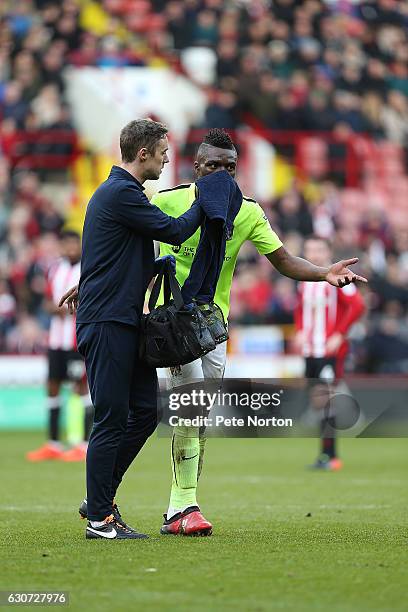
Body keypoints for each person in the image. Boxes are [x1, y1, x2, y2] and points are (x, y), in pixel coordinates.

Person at [61, 128, 367, 536]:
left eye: (230, 167)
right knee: (180, 407)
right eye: (213, 166)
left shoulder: (248, 212)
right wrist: (90, 282)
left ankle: (123, 500)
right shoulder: (167, 200)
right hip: (169, 326)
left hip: (212, 326)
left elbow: (282, 260)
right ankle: (179, 506)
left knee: (194, 414)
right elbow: (126, 246)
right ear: (196, 166)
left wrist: (321, 273)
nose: (222, 173)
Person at [62, 119, 203, 540]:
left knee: (144, 412)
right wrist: (211, 198)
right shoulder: (121, 193)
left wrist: (88, 281)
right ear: (142, 153)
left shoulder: (119, 195)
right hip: (107, 322)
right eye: (162, 152)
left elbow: (127, 258)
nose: (166, 158)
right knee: (110, 418)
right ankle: (100, 520)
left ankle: (99, 498)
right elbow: (176, 231)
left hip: (124, 322)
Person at [294, 235, 366, 470]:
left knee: (326, 400)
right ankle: (325, 455)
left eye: (318, 249)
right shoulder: (304, 280)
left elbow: (358, 306)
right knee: (318, 402)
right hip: (310, 350)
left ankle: (330, 456)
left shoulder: (338, 278)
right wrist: (299, 330)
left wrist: (340, 333)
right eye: (310, 249)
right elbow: (300, 309)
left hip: (328, 350)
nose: (314, 254)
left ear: (328, 252)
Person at [26, 230, 93, 463]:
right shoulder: (55, 268)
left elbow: (89, 300)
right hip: (56, 340)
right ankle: (53, 444)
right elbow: (47, 299)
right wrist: (50, 307)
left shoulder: (86, 269)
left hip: (76, 340)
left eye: (74, 243)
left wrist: (62, 309)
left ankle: (83, 444)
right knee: (52, 387)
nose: (70, 247)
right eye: (66, 244)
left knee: (80, 388)